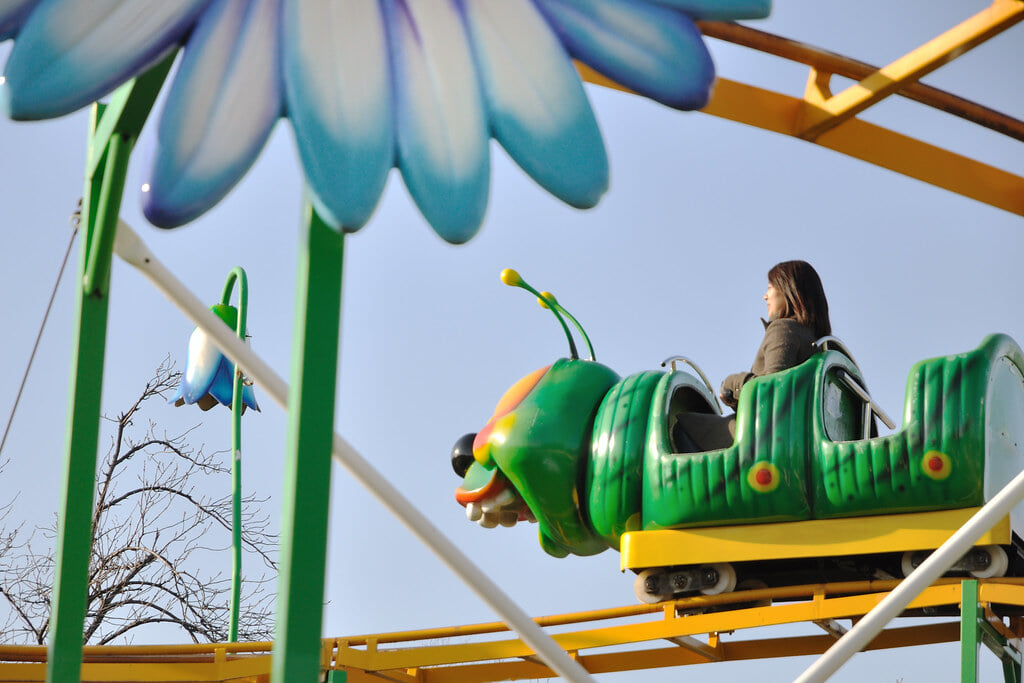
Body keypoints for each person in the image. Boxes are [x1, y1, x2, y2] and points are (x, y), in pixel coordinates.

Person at [675, 260, 832, 452]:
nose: (765, 296)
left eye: (770, 288)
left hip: (764, 439)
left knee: (681, 424)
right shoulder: (822, 344)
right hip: (798, 435)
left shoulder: (783, 330)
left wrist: (731, 385)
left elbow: (770, 391)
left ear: (789, 291)